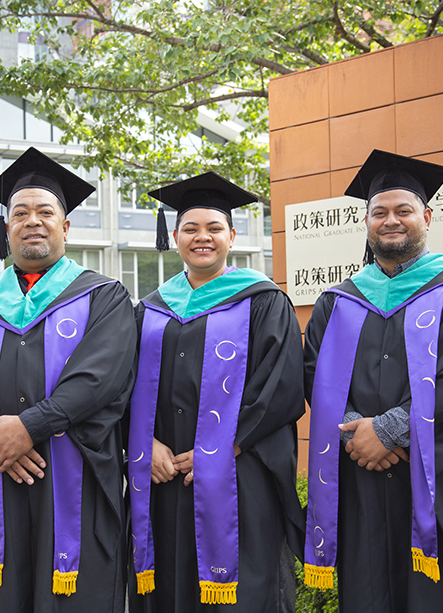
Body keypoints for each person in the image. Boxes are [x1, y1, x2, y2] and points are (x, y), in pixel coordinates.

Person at [0, 147, 136, 613]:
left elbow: (99, 378)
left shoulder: (104, 298)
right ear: (6, 228)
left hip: (72, 477)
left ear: (66, 226)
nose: (32, 221)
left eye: (45, 212)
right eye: (20, 212)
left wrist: (27, 428)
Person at [302, 149, 443, 612]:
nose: (391, 220)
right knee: (370, 590)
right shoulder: (338, 301)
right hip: (363, 477)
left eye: (403, 210)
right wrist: (357, 430)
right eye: (380, 212)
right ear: (367, 222)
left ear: (427, 217)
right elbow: (315, 375)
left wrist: (389, 430)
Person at [128, 172, 305, 613]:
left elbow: (281, 386)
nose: (201, 237)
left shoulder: (263, 300)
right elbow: (120, 387)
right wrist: (144, 444)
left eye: (213, 228)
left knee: (243, 592)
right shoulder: (148, 309)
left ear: (231, 235)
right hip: (163, 476)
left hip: (238, 475)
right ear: (174, 237)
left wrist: (223, 446)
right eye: (190, 228)